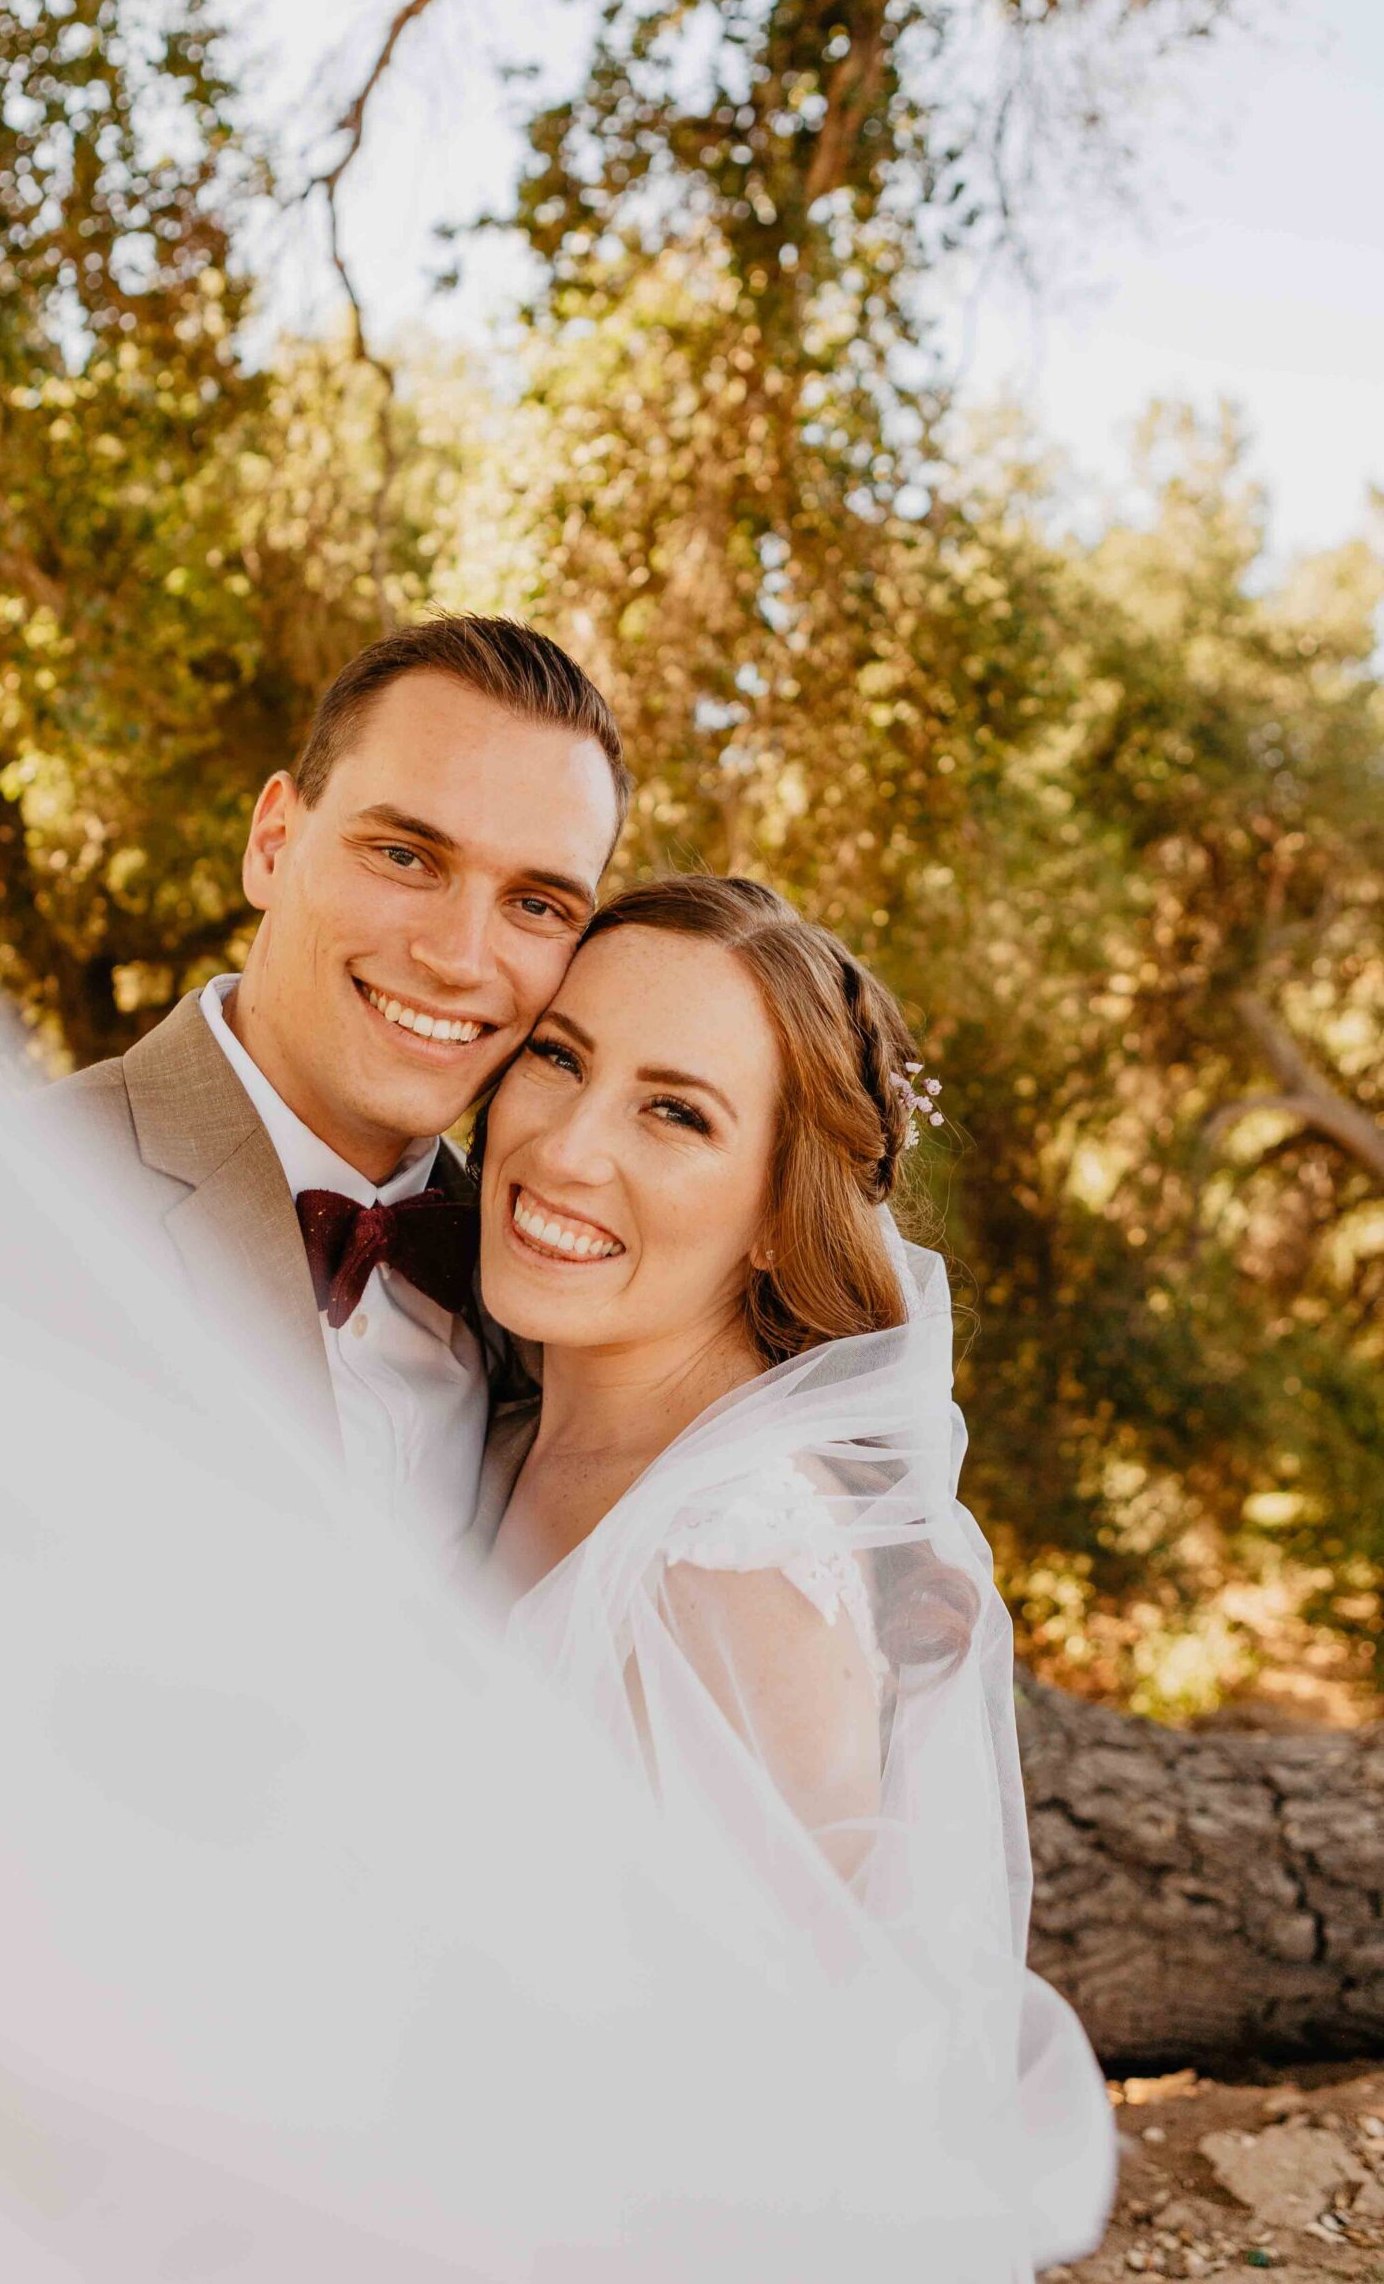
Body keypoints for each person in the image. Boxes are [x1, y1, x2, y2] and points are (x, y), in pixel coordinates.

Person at [469, 875, 1116, 2271]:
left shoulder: (734, 1552)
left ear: (774, 1213)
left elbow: (761, 2097)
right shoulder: (503, 1425)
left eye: (674, 1112)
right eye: (557, 1058)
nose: (567, 1147)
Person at [43, 615, 627, 1548]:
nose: (457, 957)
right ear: (273, 842)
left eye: (535, 904)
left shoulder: (559, 1311)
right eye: (405, 856)